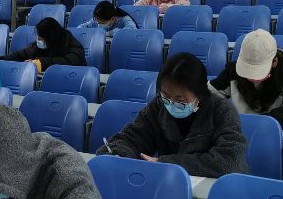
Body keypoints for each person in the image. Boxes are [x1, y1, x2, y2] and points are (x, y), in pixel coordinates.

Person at [96, 53, 249, 178]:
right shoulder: (159, 106)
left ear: (200, 95)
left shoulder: (222, 110)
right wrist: (118, 155)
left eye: (180, 100)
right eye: (166, 96)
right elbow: (131, 138)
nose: (171, 104)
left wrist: (168, 163)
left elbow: (230, 161)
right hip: (170, 187)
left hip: (215, 193)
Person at [211, 29, 283, 129]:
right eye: (248, 69)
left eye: (258, 70)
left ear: (274, 62)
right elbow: (207, 95)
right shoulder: (233, 71)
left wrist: (265, 120)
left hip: (277, 131)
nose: (252, 77)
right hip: (240, 129)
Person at [0, 18, 85, 72]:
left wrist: (41, 63)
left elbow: (70, 62)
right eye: (38, 37)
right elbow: (21, 54)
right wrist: (0, 60)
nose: (38, 40)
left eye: (41, 38)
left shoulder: (74, 46)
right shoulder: (39, 46)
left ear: (51, 38)